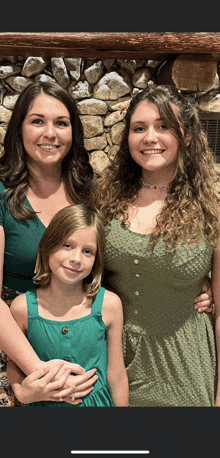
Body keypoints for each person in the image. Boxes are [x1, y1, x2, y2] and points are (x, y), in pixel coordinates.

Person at [92, 84, 220, 407]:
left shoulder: (211, 208)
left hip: (186, 367)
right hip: (114, 364)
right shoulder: (105, 199)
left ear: (186, 136)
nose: (150, 137)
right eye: (139, 128)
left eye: (163, 126)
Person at [0, 80, 98, 406]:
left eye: (61, 123)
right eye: (37, 121)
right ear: (19, 128)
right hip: (19, 355)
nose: (50, 133)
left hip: (83, 350)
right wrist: (42, 375)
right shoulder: (2, 196)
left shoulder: (91, 191)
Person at [7, 204, 129, 407]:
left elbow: (116, 374)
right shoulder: (22, 308)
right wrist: (22, 392)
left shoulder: (109, 305)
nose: (76, 259)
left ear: (96, 260)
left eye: (88, 251)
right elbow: (15, 364)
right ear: (48, 245)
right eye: (67, 246)